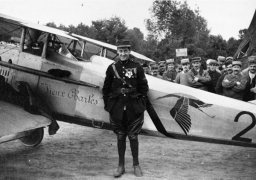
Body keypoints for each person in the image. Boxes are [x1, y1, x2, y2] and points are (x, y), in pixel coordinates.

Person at [102, 39, 149, 178]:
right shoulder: (112, 68)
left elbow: (144, 88)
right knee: (120, 136)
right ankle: (120, 165)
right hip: (117, 107)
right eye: (120, 51)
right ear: (117, 52)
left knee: (133, 136)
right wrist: (109, 105)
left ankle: (136, 165)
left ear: (129, 51)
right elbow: (106, 89)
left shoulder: (137, 67)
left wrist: (140, 103)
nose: (123, 54)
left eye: (125, 51)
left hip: (133, 107)